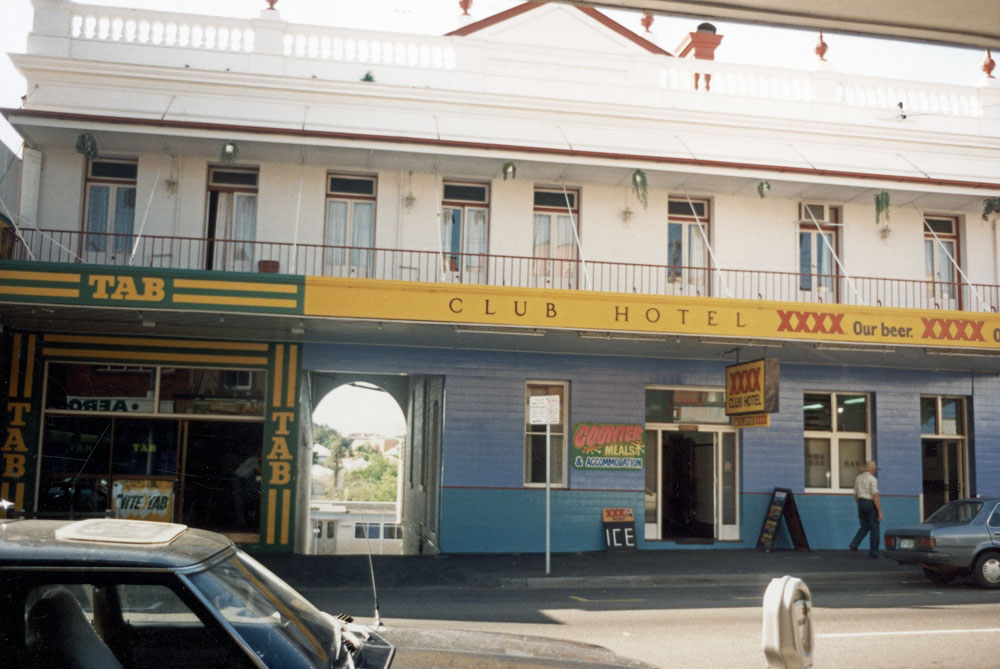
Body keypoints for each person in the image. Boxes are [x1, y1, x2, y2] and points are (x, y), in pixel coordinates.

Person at [849, 459, 882, 558]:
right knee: (874, 528)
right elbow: (875, 495)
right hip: (870, 503)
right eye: (875, 469)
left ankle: (855, 543)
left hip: (861, 502)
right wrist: (879, 511)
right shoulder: (873, 479)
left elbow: (855, 494)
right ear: (872, 470)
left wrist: (859, 504)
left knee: (864, 526)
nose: (875, 471)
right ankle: (874, 553)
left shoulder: (858, 478)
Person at [232, 454, 261, 527]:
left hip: (242, 479)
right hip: (238, 478)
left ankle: (242, 520)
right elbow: (259, 471)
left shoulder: (256, 461)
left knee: (243, 499)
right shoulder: (254, 459)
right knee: (239, 500)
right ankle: (240, 521)